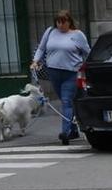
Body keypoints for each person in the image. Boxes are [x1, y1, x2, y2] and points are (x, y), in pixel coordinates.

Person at [30, 10, 91, 145]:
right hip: (53, 72)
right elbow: (41, 48)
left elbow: (87, 51)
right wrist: (36, 61)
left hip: (71, 72)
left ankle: (65, 132)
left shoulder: (77, 35)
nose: (60, 25)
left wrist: (87, 67)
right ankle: (73, 130)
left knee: (66, 101)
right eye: (58, 22)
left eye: (63, 22)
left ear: (69, 22)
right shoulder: (50, 32)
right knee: (68, 101)